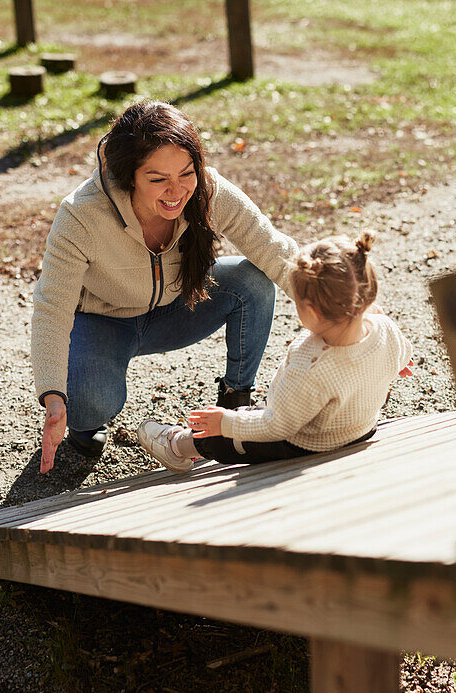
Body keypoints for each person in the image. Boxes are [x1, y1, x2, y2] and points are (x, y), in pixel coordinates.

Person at [33, 100, 300, 474]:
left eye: (186, 173)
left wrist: (352, 313)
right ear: (129, 176)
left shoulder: (207, 191)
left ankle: (236, 401)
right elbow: (52, 306)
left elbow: (275, 251)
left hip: (174, 310)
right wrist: (53, 394)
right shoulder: (81, 214)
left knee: (251, 280)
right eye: (158, 179)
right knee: (88, 403)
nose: (176, 191)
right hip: (104, 320)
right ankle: (82, 424)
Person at [137, 231, 414, 472]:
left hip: (304, 441)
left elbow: (276, 426)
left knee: (223, 435)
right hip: (359, 429)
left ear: (313, 311)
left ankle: (178, 447)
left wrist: (228, 423)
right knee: (259, 413)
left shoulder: (312, 363)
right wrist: (396, 362)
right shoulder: (383, 329)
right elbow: (403, 355)